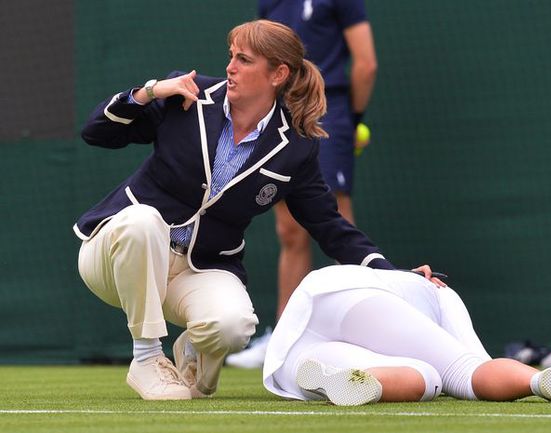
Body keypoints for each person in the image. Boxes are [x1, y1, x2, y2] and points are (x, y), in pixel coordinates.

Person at [74, 19, 435, 401]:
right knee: (143, 221)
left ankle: (194, 348)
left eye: (244, 60)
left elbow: (330, 226)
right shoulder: (187, 96)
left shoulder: (296, 145)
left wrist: (393, 275)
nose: (230, 67)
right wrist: (149, 92)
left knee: (234, 327)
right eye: (231, 56)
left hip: (196, 270)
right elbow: (96, 132)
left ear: (278, 74)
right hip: (115, 257)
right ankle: (147, 357)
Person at [227, 0, 379, 369]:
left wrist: (353, 117)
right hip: (282, 110)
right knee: (290, 230)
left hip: (330, 110)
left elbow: (366, 63)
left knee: (337, 221)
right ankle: (284, 337)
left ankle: (368, 335)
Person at [263, 265, 551, 405]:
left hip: (297, 336)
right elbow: (479, 372)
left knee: (416, 375)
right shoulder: (441, 294)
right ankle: (539, 381)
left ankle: (357, 380)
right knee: (454, 374)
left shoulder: (407, 285)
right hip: (358, 297)